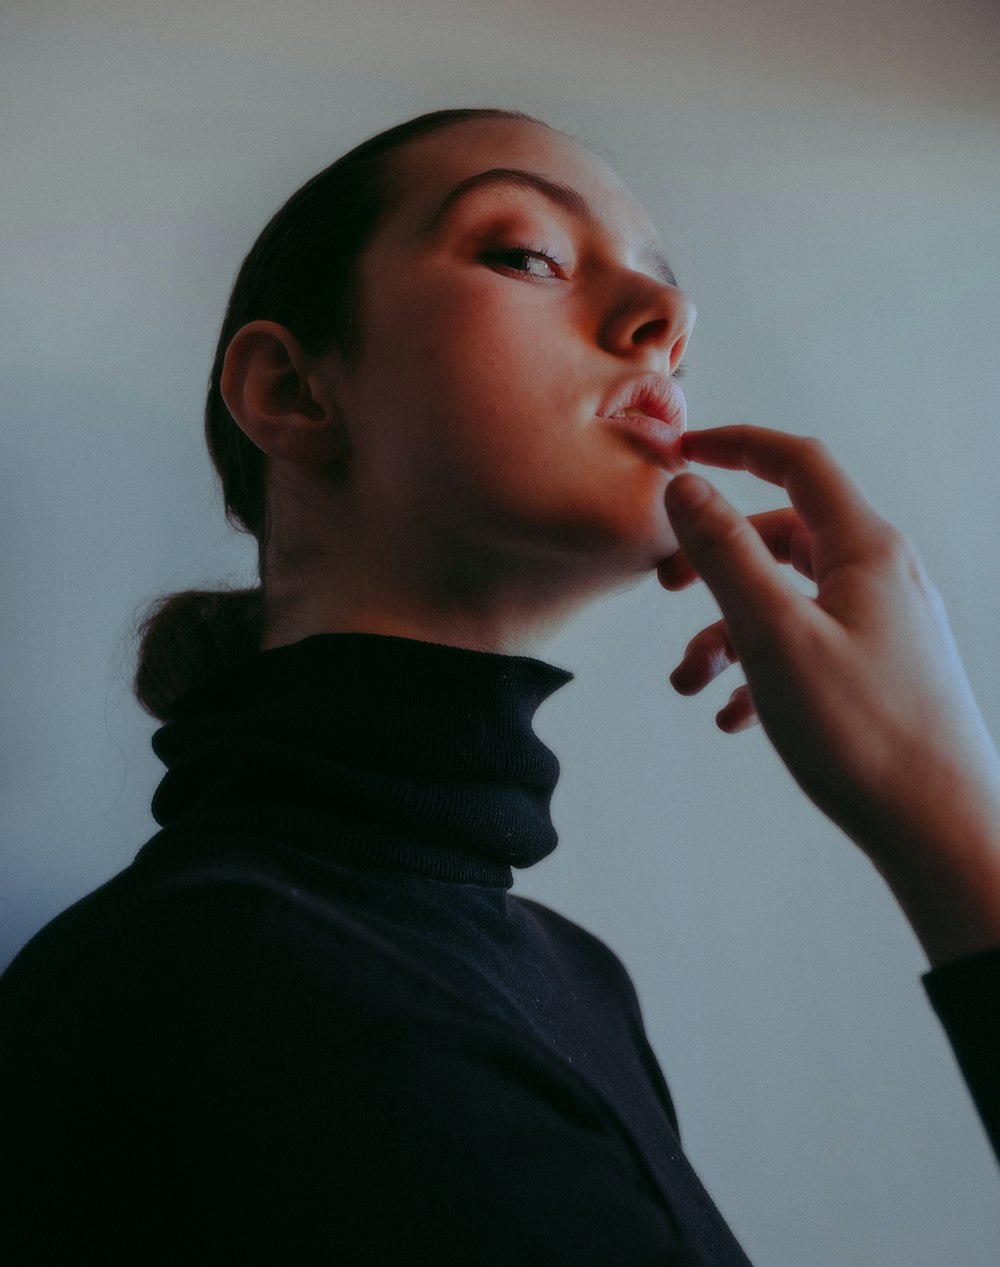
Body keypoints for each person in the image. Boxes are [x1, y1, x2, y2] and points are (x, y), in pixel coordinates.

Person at [1, 106, 998, 1265]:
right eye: (526, 252)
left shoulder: (571, 977)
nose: (663, 325)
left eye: (672, 318)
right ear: (292, 389)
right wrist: (951, 822)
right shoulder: (219, 982)